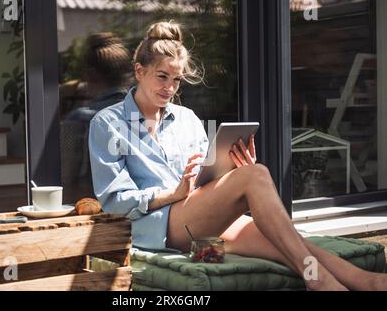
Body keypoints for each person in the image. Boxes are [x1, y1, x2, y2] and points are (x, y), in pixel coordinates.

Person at [88, 20, 387, 291]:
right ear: (139, 71)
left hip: (200, 223)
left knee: (285, 241)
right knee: (256, 176)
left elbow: (205, 177)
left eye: (177, 80)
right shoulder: (108, 123)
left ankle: (367, 281)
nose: (170, 88)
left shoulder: (187, 118)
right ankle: (318, 282)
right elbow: (114, 200)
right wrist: (171, 194)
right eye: (162, 77)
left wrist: (230, 170)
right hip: (156, 226)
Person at [61, 32, 133, 184]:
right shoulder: (143, 114)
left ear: (90, 75)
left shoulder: (79, 119)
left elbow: (66, 175)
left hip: (91, 200)